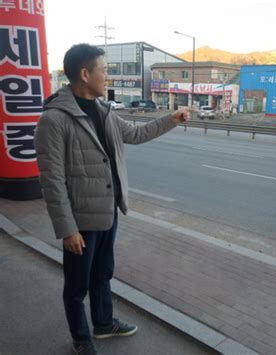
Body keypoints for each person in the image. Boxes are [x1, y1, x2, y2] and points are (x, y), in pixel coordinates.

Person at [34, 43, 189, 355]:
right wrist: (67, 229)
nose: (108, 77)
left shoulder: (104, 111)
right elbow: (52, 181)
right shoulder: (55, 120)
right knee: (77, 285)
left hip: (108, 211)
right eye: (104, 71)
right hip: (80, 220)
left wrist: (170, 119)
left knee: (103, 273)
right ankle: (81, 338)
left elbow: (134, 134)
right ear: (85, 73)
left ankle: (103, 324)